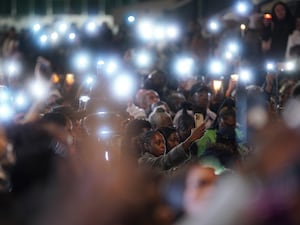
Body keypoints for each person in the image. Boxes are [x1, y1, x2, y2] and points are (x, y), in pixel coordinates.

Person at [138, 124, 205, 172]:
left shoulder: (164, 160)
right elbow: (164, 162)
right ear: (146, 146)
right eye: (158, 143)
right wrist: (190, 139)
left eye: (163, 142)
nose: (162, 146)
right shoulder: (144, 162)